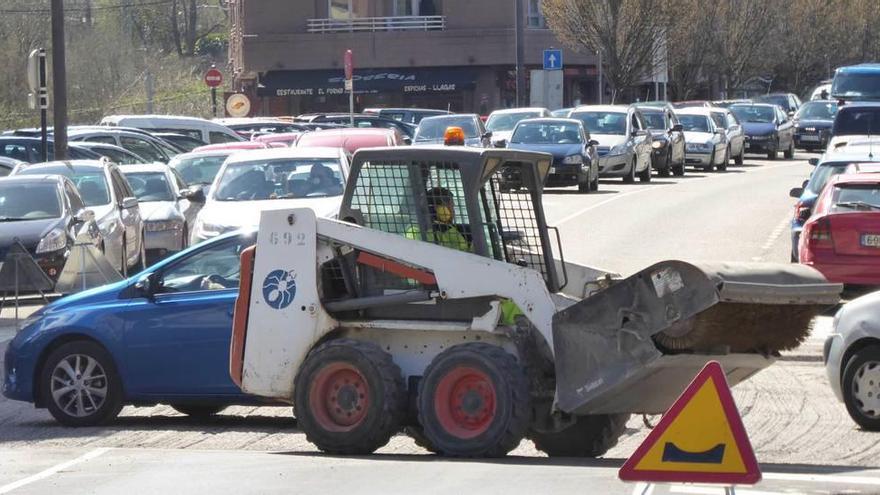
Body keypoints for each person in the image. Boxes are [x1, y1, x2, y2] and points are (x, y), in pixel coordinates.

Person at [405, 187, 470, 252]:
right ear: (440, 209)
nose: (453, 211)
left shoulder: (446, 228)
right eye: (451, 207)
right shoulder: (419, 232)